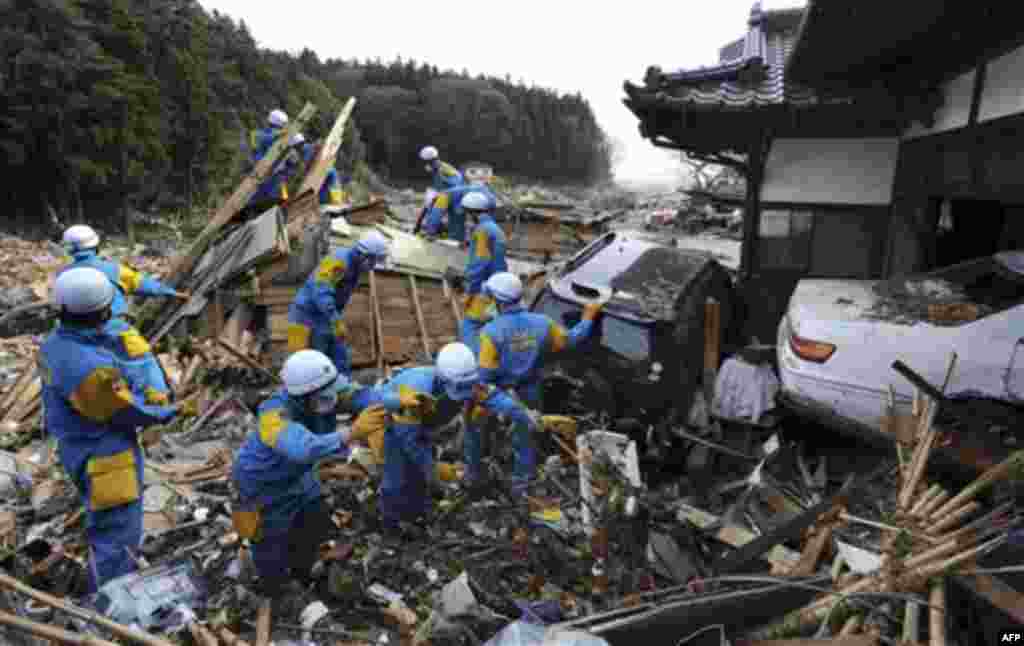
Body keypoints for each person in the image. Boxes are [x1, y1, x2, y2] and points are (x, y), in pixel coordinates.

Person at [39, 268, 188, 592]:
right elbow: (125, 411)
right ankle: (109, 607)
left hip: (77, 445)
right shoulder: (91, 372)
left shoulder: (55, 344)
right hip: (107, 456)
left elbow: (98, 342)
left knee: (104, 521)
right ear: (105, 310)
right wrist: (165, 411)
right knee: (117, 535)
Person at [232, 350, 389, 598]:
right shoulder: (273, 414)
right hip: (261, 484)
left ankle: (304, 572)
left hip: (298, 476)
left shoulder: (324, 392)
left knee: (314, 518)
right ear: (304, 397)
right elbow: (302, 449)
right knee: (269, 542)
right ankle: (276, 591)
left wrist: (394, 400)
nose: (334, 398)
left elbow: (361, 395)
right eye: (326, 395)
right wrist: (352, 432)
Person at [375, 343, 537, 531]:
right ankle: (391, 526)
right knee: (398, 478)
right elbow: (410, 441)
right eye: (460, 389)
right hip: (397, 428)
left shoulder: (466, 381)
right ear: (443, 378)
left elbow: (494, 398)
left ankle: (417, 516)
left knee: (419, 480)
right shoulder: (415, 391)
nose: (463, 396)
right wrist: (433, 471)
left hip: (426, 427)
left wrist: (526, 416)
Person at [477, 272, 602, 495]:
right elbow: (570, 340)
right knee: (525, 439)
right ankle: (522, 486)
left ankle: (483, 466)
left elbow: (484, 377)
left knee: (483, 428)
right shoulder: (543, 324)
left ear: (498, 301)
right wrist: (588, 317)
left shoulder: (490, 333)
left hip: (501, 393)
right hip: (531, 391)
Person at [287, 231, 391, 376]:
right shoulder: (338, 261)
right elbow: (321, 290)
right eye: (374, 261)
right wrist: (335, 318)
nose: (373, 266)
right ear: (364, 256)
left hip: (326, 317)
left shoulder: (355, 267)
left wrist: (335, 318)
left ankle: (346, 390)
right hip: (306, 316)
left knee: (340, 360)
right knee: (313, 366)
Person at [58, 225, 182, 321]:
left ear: (69, 250)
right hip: (112, 327)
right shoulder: (113, 270)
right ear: (96, 245)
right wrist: (172, 292)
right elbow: (143, 284)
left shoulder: (62, 275)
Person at [460, 190, 506, 356]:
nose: (466, 218)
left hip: (486, 288)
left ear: (473, 213)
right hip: (500, 286)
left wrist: (469, 291)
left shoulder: (482, 231)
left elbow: (480, 261)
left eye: (467, 213)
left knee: (469, 325)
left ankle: (474, 363)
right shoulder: (495, 228)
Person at [246, 109, 292, 213]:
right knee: (283, 204)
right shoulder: (281, 137)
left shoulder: (256, 134)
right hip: (275, 179)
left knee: (253, 205)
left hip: (258, 178)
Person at [422, 183, 496, 245]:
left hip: (464, 201)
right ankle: (460, 242)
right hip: (463, 200)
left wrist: (430, 232)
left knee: (457, 226)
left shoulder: (443, 197)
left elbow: (435, 214)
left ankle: (459, 241)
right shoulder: (489, 198)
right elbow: (436, 214)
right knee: (458, 227)